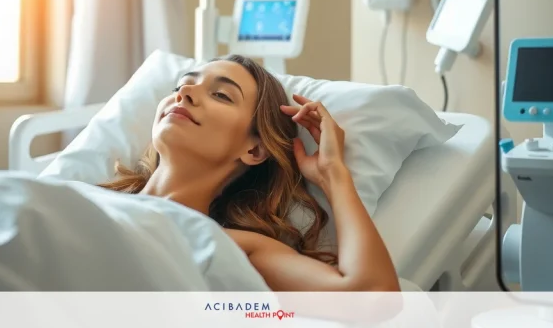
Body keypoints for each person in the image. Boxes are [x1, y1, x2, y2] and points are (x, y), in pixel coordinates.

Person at [99, 55, 400, 292]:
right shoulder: (92, 198)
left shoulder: (232, 247)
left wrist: (333, 174)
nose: (185, 93)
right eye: (179, 87)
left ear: (254, 151)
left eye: (220, 95)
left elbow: (370, 295)